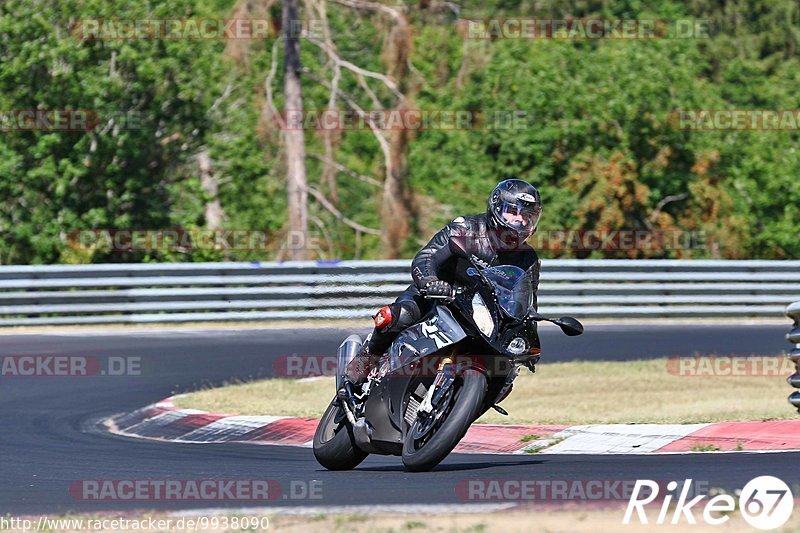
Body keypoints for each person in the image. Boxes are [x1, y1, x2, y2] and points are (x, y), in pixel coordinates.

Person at [344, 178, 543, 385]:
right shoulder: (466, 228)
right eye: (513, 211)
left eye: (527, 215)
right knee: (398, 316)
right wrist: (430, 282)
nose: (519, 220)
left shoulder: (528, 259)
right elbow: (426, 257)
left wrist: (529, 337)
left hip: (481, 316)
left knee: (505, 370)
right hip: (437, 297)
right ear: (496, 207)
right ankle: (367, 357)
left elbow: (526, 303)